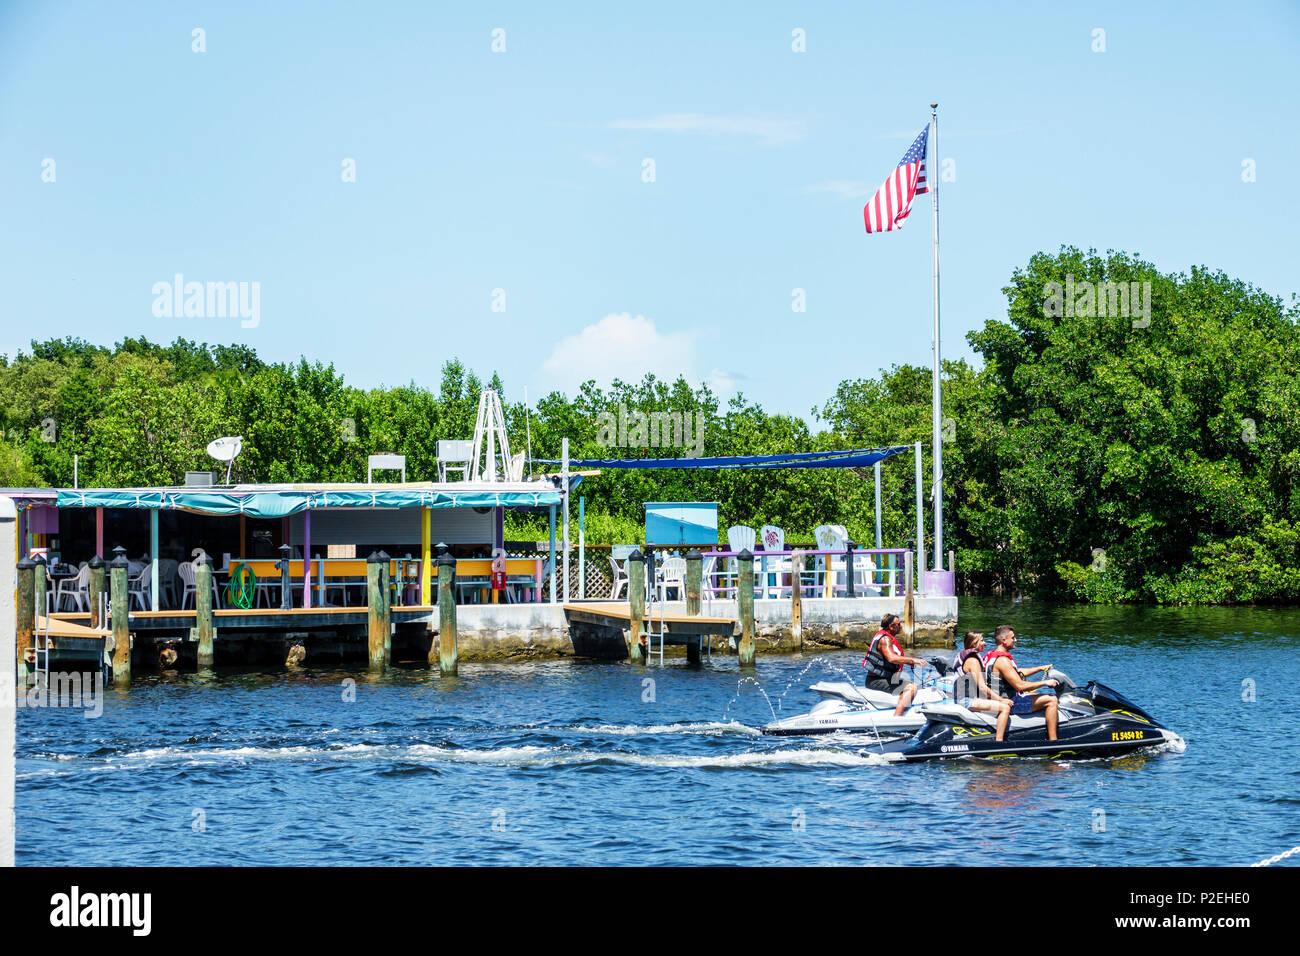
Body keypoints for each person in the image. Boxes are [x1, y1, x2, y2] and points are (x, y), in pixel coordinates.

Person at [984, 624, 1060, 740]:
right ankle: (1053, 741)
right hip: (1009, 702)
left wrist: (1040, 668)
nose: (1016, 640)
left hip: (999, 698)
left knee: (1039, 696)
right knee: (1052, 700)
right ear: (1004, 640)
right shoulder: (1003, 661)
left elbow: (1016, 672)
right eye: (1013, 638)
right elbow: (1020, 686)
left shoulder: (993, 656)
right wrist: (1046, 683)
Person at [863, 613, 929, 717]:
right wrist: (913, 660)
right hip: (876, 681)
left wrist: (907, 662)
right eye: (899, 624)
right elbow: (892, 658)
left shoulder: (885, 636)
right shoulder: (885, 639)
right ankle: (897, 717)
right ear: (891, 626)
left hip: (881, 679)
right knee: (911, 687)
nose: (901, 626)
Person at [952, 631, 1011, 742]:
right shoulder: (973, 661)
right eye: (982, 641)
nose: (985, 643)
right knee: (1005, 707)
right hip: (966, 700)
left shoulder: (968, 657)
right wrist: (1001, 700)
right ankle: (999, 742)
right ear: (974, 644)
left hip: (965, 698)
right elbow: (982, 687)